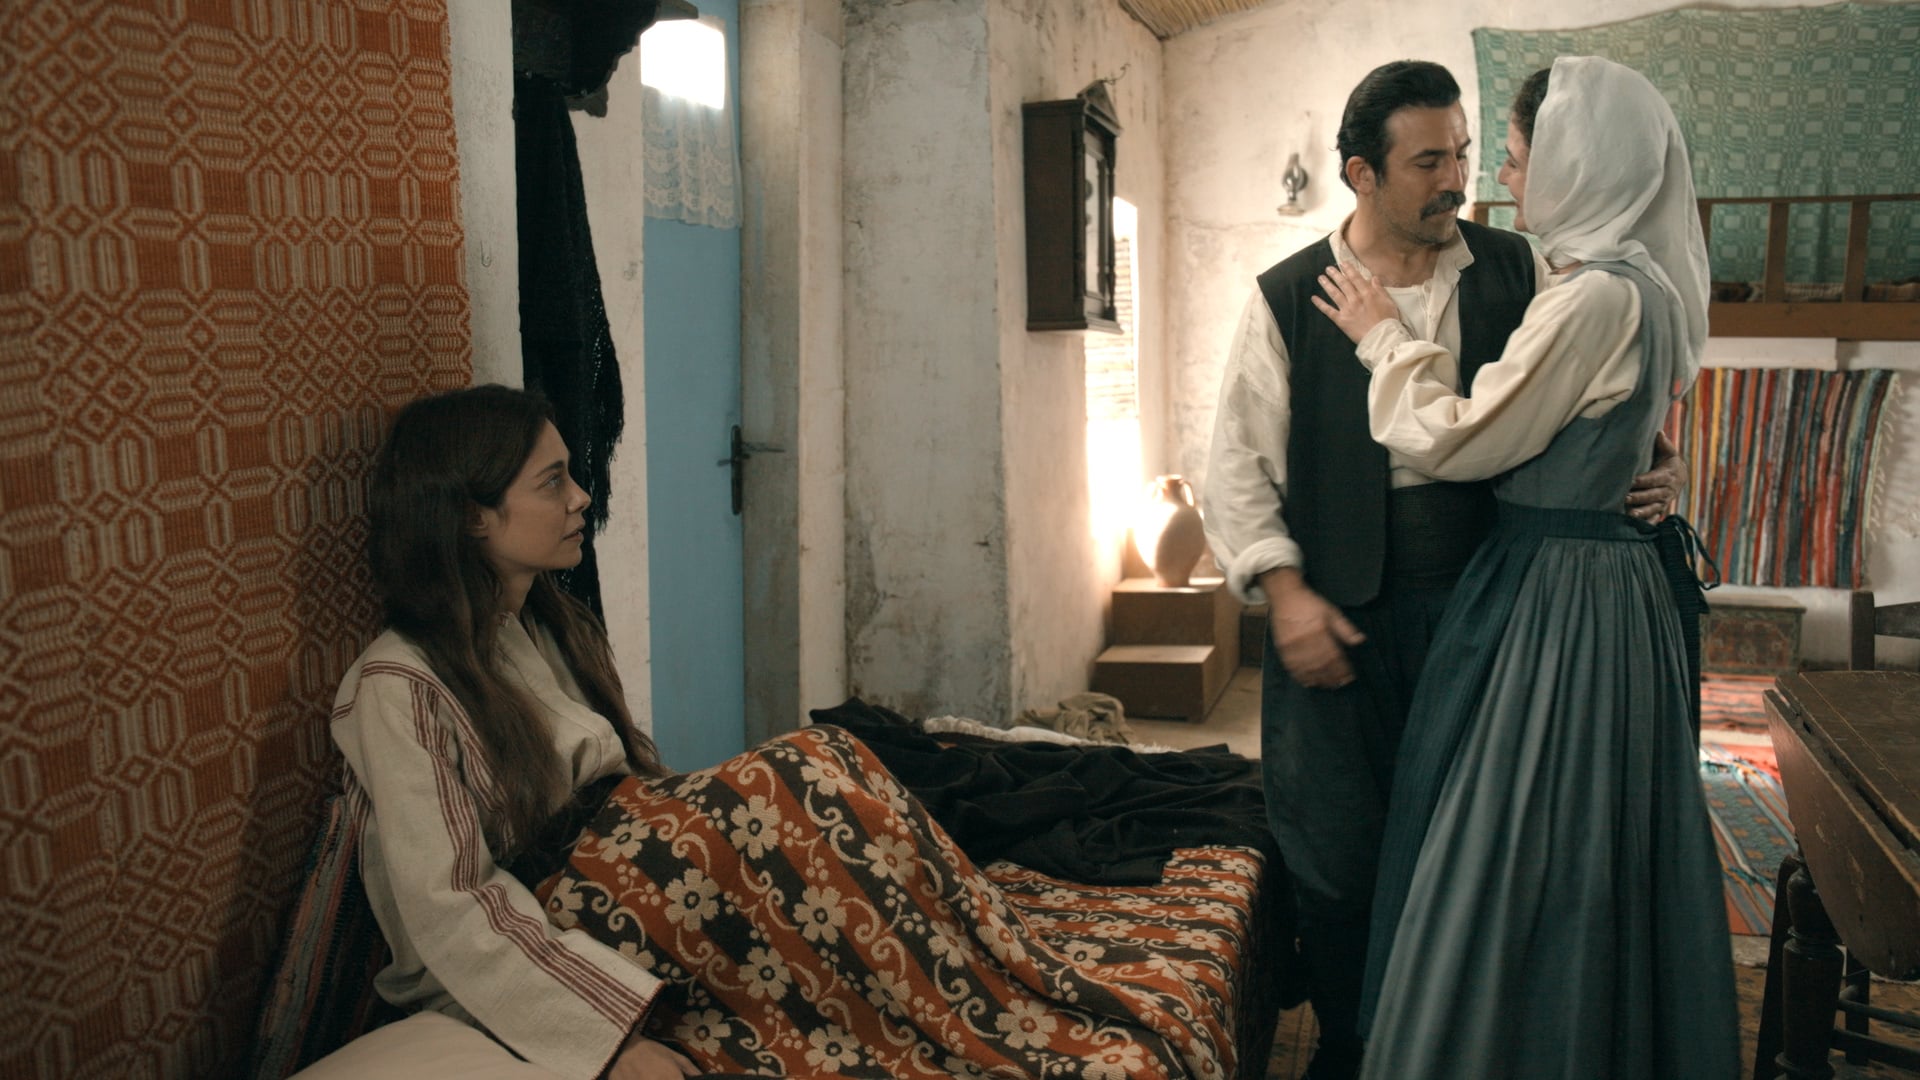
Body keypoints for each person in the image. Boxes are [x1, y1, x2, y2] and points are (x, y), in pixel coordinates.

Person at [332, 385, 1241, 1080]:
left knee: (830, 761)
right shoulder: (399, 685)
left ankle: (1008, 982)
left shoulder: (539, 624)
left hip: (630, 867)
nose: (580, 497)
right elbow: (452, 905)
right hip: (571, 907)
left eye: (572, 473)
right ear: (471, 515)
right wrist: (605, 1040)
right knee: (793, 783)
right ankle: (1002, 1024)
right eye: (552, 482)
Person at [1199, 59, 1685, 1079]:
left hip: (1493, 614)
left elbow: (1599, 392)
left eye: (1464, 153)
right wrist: (1284, 594)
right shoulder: (1287, 296)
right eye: (1429, 161)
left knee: (1473, 852)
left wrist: (1657, 463)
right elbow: (1237, 470)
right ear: (1361, 174)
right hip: (1333, 613)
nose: (1458, 178)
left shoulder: (1529, 269)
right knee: (1335, 854)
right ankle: (1349, 1046)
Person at [1312, 56, 1739, 1078]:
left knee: (1514, 833)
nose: (1498, 177)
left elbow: (1464, 437)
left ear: (1577, 160)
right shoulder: (1650, 283)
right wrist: (1656, 464)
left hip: (1560, 601)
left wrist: (1382, 340)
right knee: (1594, 828)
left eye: (1509, 153)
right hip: (1618, 589)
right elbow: (1627, 420)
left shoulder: (1590, 297)